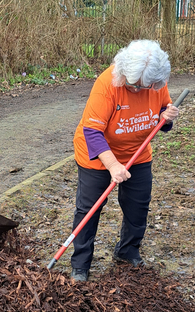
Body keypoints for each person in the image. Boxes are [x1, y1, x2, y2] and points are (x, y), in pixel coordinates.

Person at [70, 40, 179, 282]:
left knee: (137, 206)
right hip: (98, 155)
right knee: (89, 208)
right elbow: (92, 132)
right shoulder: (107, 83)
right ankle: (80, 264)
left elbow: (163, 118)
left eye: (145, 87)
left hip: (137, 154)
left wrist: (168, 117)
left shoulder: (156, 81)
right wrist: (113, 166)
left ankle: (127, 251)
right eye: (133, 85)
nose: (138, 90)